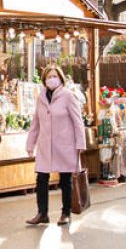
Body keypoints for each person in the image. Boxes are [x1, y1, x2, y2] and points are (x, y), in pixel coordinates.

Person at [26, 66, 86, 226]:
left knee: (65, 180)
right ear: (44, 79)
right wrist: (30, 144)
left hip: (65, 145)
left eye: (54, 76)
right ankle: (42, 213)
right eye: (48, 76)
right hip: (45, 146)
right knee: (41, 178)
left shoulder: (68, 96)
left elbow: (78, 122)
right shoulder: (41, 98)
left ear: (60, 78)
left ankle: (66, 213)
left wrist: (80, 143)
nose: (51, 78)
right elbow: (35, 123)